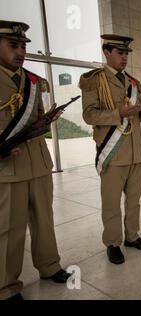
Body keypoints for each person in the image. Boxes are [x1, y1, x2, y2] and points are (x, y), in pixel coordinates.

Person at [0, 20, 70, 300]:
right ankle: (6, 285)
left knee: (44, 219)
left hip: (39, 161)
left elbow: (36, 117)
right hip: (7, 167)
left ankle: (49, 265)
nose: (20, 51)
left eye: (23, 46)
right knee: (9, 228)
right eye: (12, 45)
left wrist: (46, 121)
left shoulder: (34, 81)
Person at [79, 34, 141, 265]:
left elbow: (139, 115)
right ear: (107, 52)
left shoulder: (133, 83)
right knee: (111, 203)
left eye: (126, 54)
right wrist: (118, 114)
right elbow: (89, 115)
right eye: (120, 53)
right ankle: (113, 243)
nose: (124, 58)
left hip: (136, 152)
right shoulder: (94, 80)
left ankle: (132, 236)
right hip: (113, 154)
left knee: (134, 200)